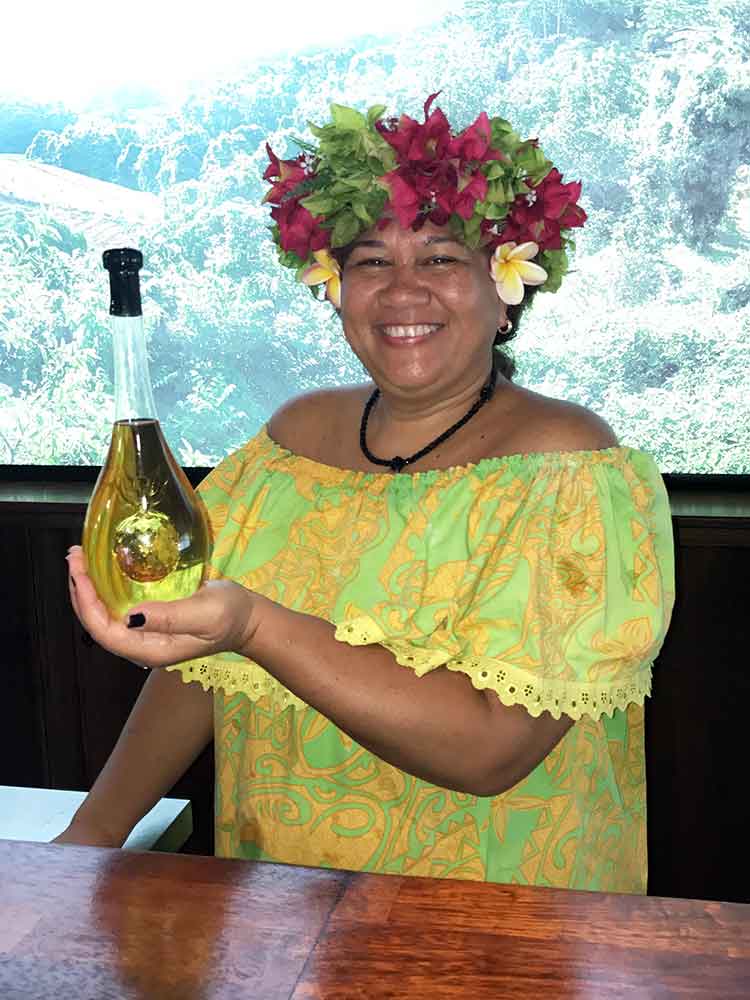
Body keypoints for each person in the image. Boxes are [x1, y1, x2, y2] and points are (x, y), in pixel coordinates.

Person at [59, 94, 675, 893]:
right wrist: (92, 835)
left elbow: (490, 749)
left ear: (506, 287)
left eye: (442, 258)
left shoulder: (571, 467)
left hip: (495, 913)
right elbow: (198, 663)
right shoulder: (292, 442)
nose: (402, 290)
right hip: (280, 895)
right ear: (335, 286)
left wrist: (255, 624)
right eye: (371, 261)